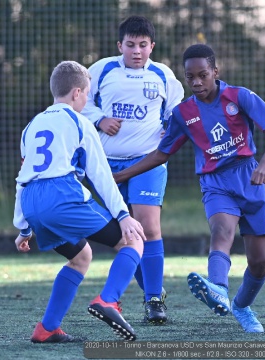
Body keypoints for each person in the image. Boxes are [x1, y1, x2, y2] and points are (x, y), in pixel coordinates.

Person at [112, 44, 265, 333]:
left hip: (249, 178)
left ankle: (241, 306)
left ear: (215, 72)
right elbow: (161, 154)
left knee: (259, 262)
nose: (196, 82)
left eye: (203, 75)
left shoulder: (239, 96)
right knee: (222, 232)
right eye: (190, 77)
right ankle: (217, 288)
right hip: (215, 183)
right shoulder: (183, 113)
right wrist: (120, 176)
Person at [13, 60, 147, 343]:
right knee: (133, 240)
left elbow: (23, 178)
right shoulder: (80, 122)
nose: (87, 99)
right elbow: (101, 176)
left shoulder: (31, 127)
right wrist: (124, 215)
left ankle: (46, 329)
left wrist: (24, 228)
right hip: (62, 196)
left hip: (32, 203)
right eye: (87, 94)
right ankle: (108, 300)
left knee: (81, 257)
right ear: (76, 93)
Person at [81, 15, 184, 325]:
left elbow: (175, 113)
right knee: (126, 233)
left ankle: (154, 300)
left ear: (152, 46)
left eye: (142, 45)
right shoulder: (101, 70)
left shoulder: (163, 76)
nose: (136, 51)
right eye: (130, 45)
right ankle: (152, 290)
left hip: (146, 163)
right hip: (106, 166)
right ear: (119, 45)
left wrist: (170, 129)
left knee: (149, 226)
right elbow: (78, 102)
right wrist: (99, 119)